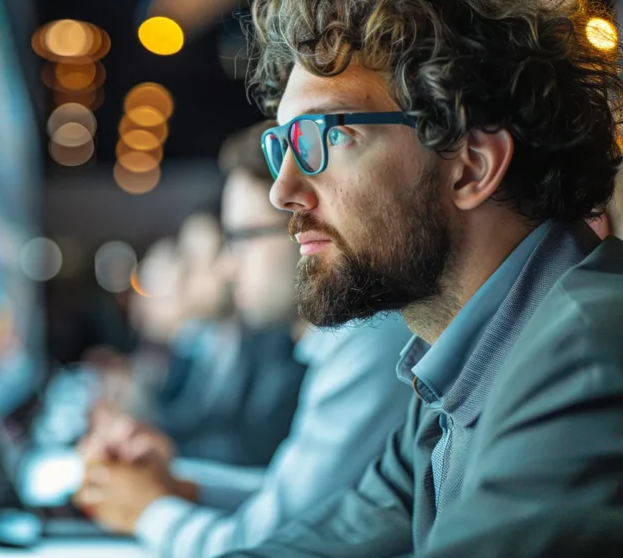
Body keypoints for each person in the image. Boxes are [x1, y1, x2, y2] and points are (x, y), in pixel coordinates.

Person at [218, 0, 623, 556]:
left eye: (326, 136)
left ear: (473, 167)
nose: (283, 192)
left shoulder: (594, 353)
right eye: (283, 146)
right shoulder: (455, 365)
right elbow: (322, 544)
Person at [74, 122, 413, 557]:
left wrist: (147, 510)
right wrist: (179, 485)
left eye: (242, 239)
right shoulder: (339, 344)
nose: (227, 269)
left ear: (306, 227)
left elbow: (271, 544)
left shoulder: (369, 340)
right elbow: (290, 500)